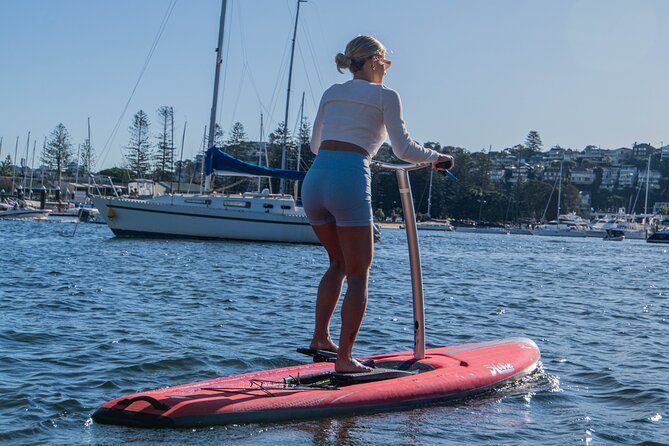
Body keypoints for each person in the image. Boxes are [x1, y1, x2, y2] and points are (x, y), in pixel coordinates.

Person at [301, 35, 454, 373]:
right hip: (349, 179)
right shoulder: (386, 96)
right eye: (385, 62)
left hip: (315, 181)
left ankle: (319, 338)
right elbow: (404, 150)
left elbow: (315, 145)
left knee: (337, 264)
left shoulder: (331, 93)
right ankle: (344, 359)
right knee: (359, 275)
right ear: (374, 62)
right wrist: (438, 157)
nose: (387, 69)